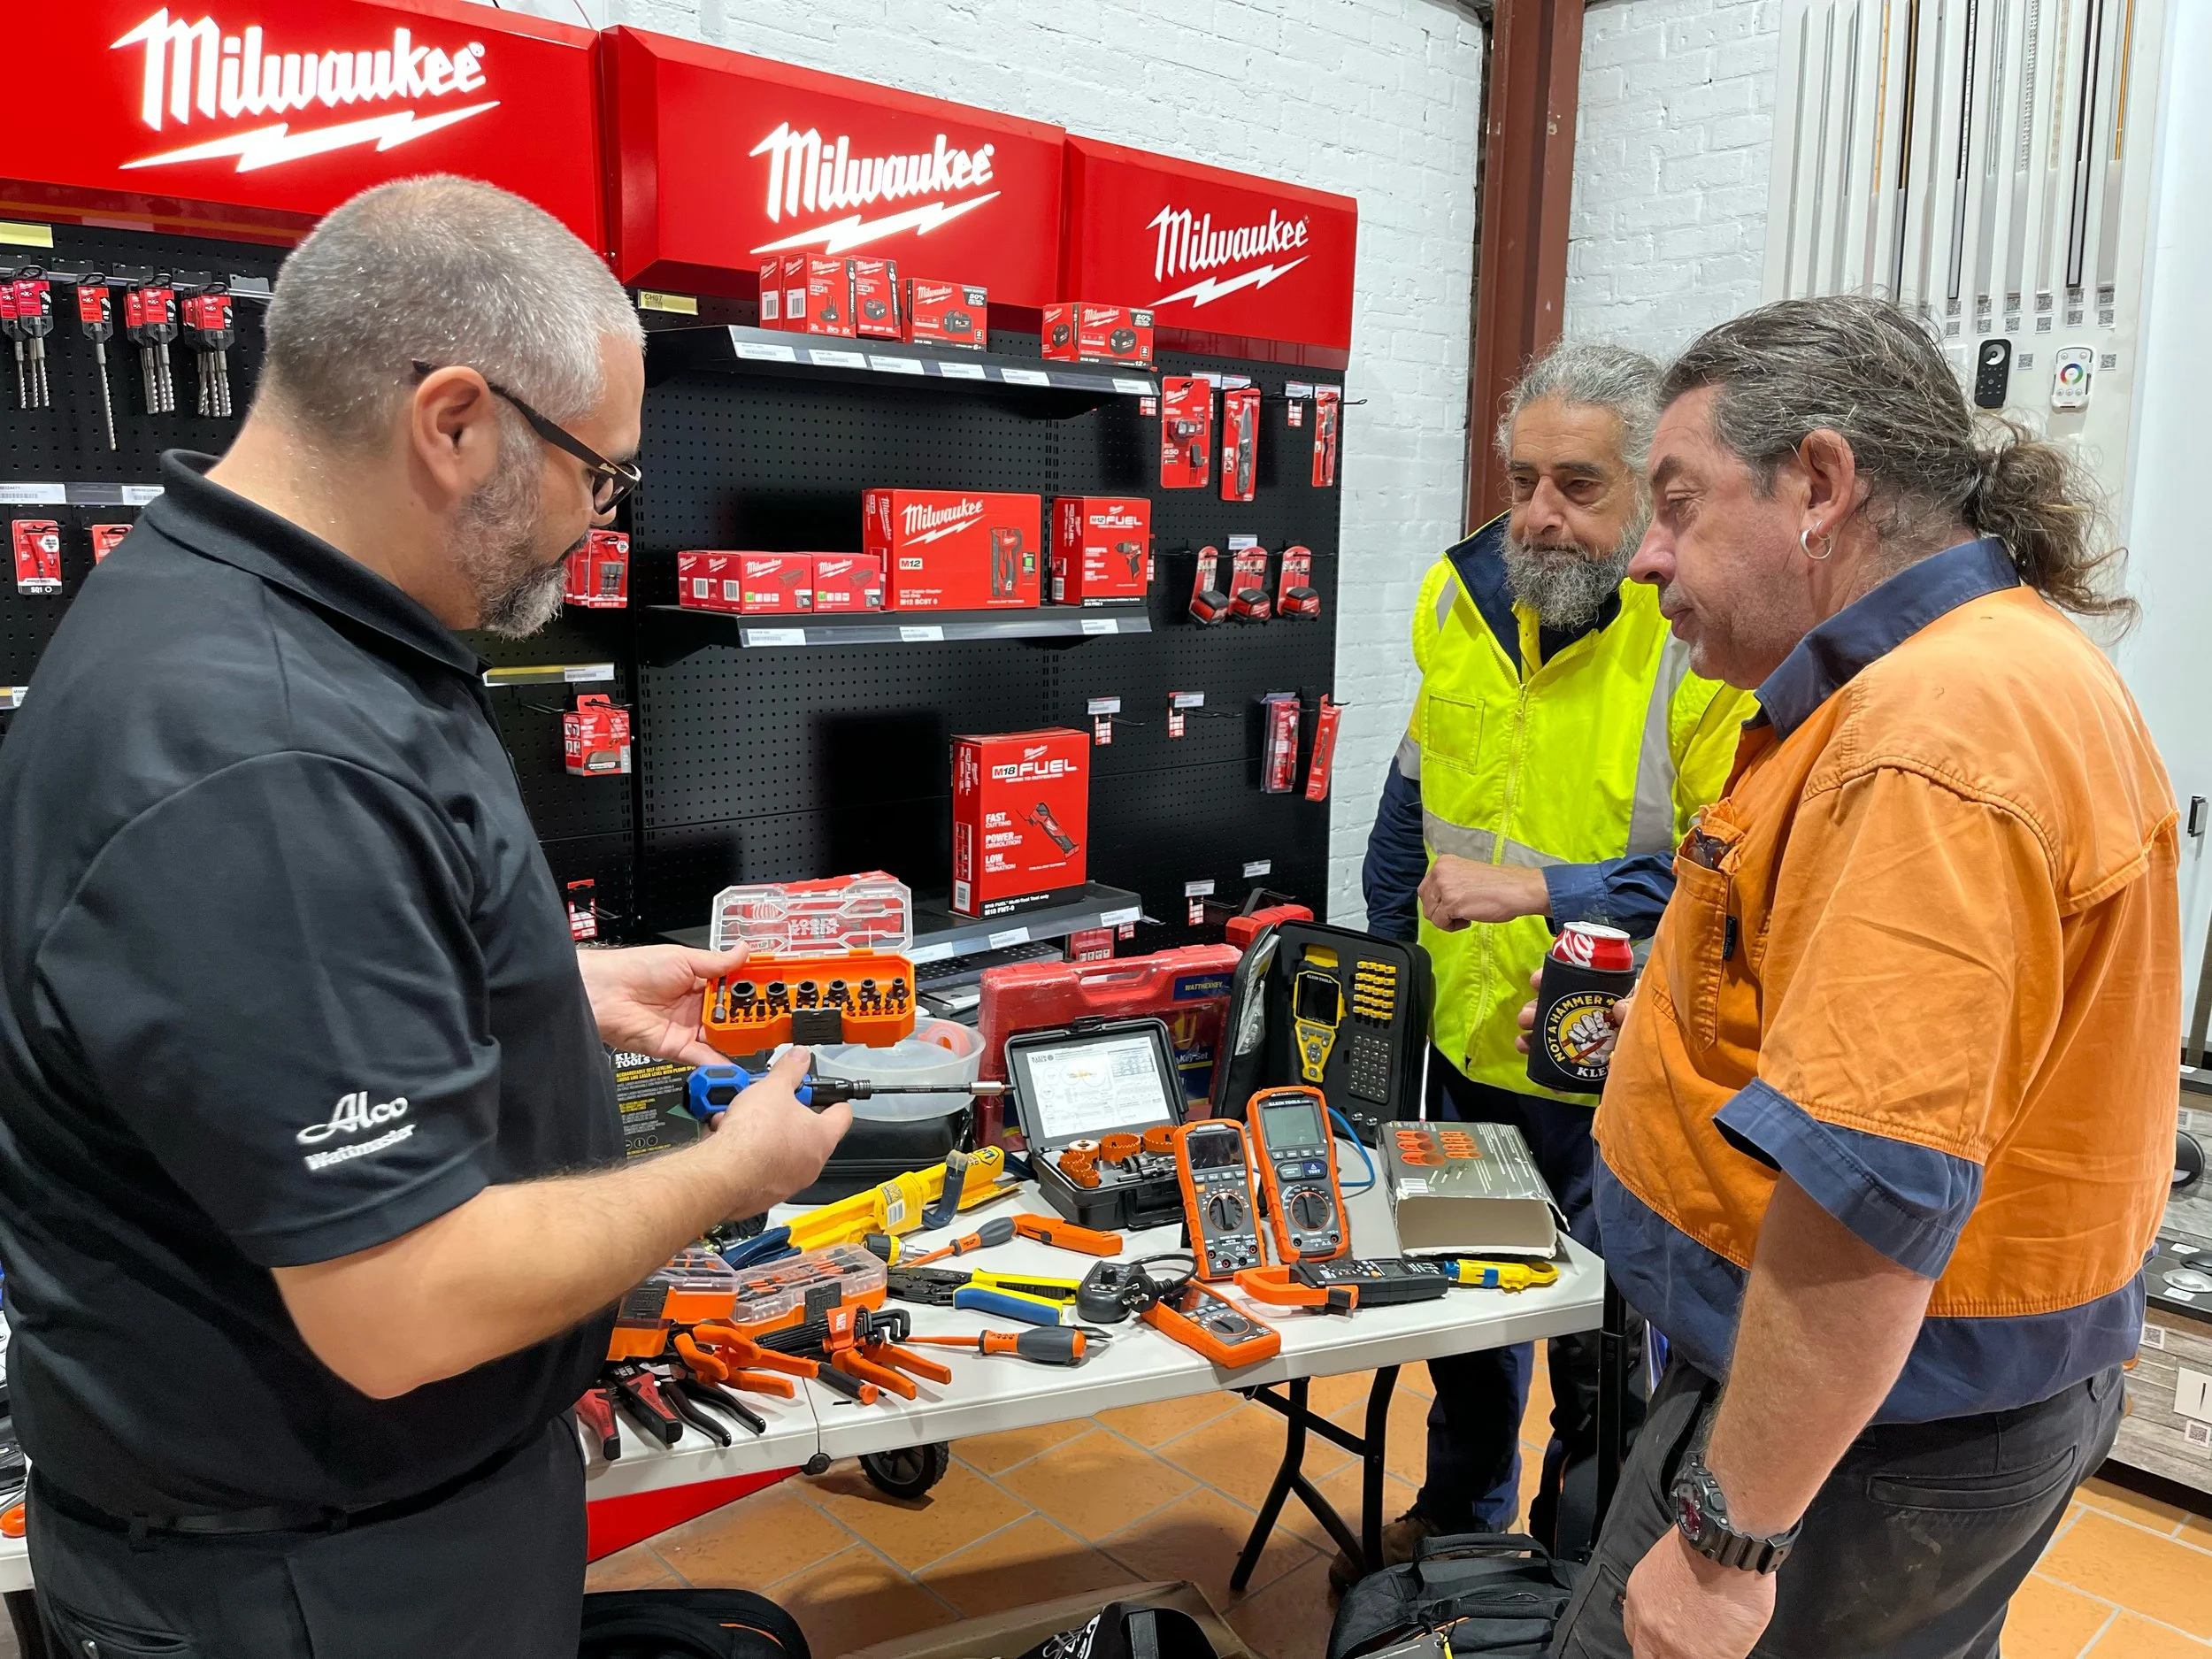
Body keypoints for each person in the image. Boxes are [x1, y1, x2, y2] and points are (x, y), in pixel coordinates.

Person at [0, 177, 849, 1656]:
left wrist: (548, 983)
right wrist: (732, 1171)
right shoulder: (257, 749)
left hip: (360, 1531)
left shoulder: (272, 612)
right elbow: (402, 1305)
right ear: (454, 422)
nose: (603, 520)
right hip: (313, 1587)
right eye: (603, 474)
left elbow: (261, 1006)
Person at [1550, 295, 2179, 1659]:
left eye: (1677, 502)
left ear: (1821, 484)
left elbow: (1872, 1186)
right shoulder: (1988, 670)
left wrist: (1727, 1546)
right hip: (1914, 1408)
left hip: (1867, 1438)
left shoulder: (1927, 737)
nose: (1645, 559)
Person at [1354, 343, 1755, 1584]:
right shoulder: (1455, 597)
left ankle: (1567, 1558)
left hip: (1615, 1065)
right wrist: (1381, 1000)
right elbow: (1409, 811)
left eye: (1578, 483)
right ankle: (1461, 1530)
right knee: (1472, 1325)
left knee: (1600, 1345)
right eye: (1524, 476)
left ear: (1652, 485)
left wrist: (1539, 889)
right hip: (1469, 1046)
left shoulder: (1695, 629)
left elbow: (1721, 871)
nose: (1540, 511)